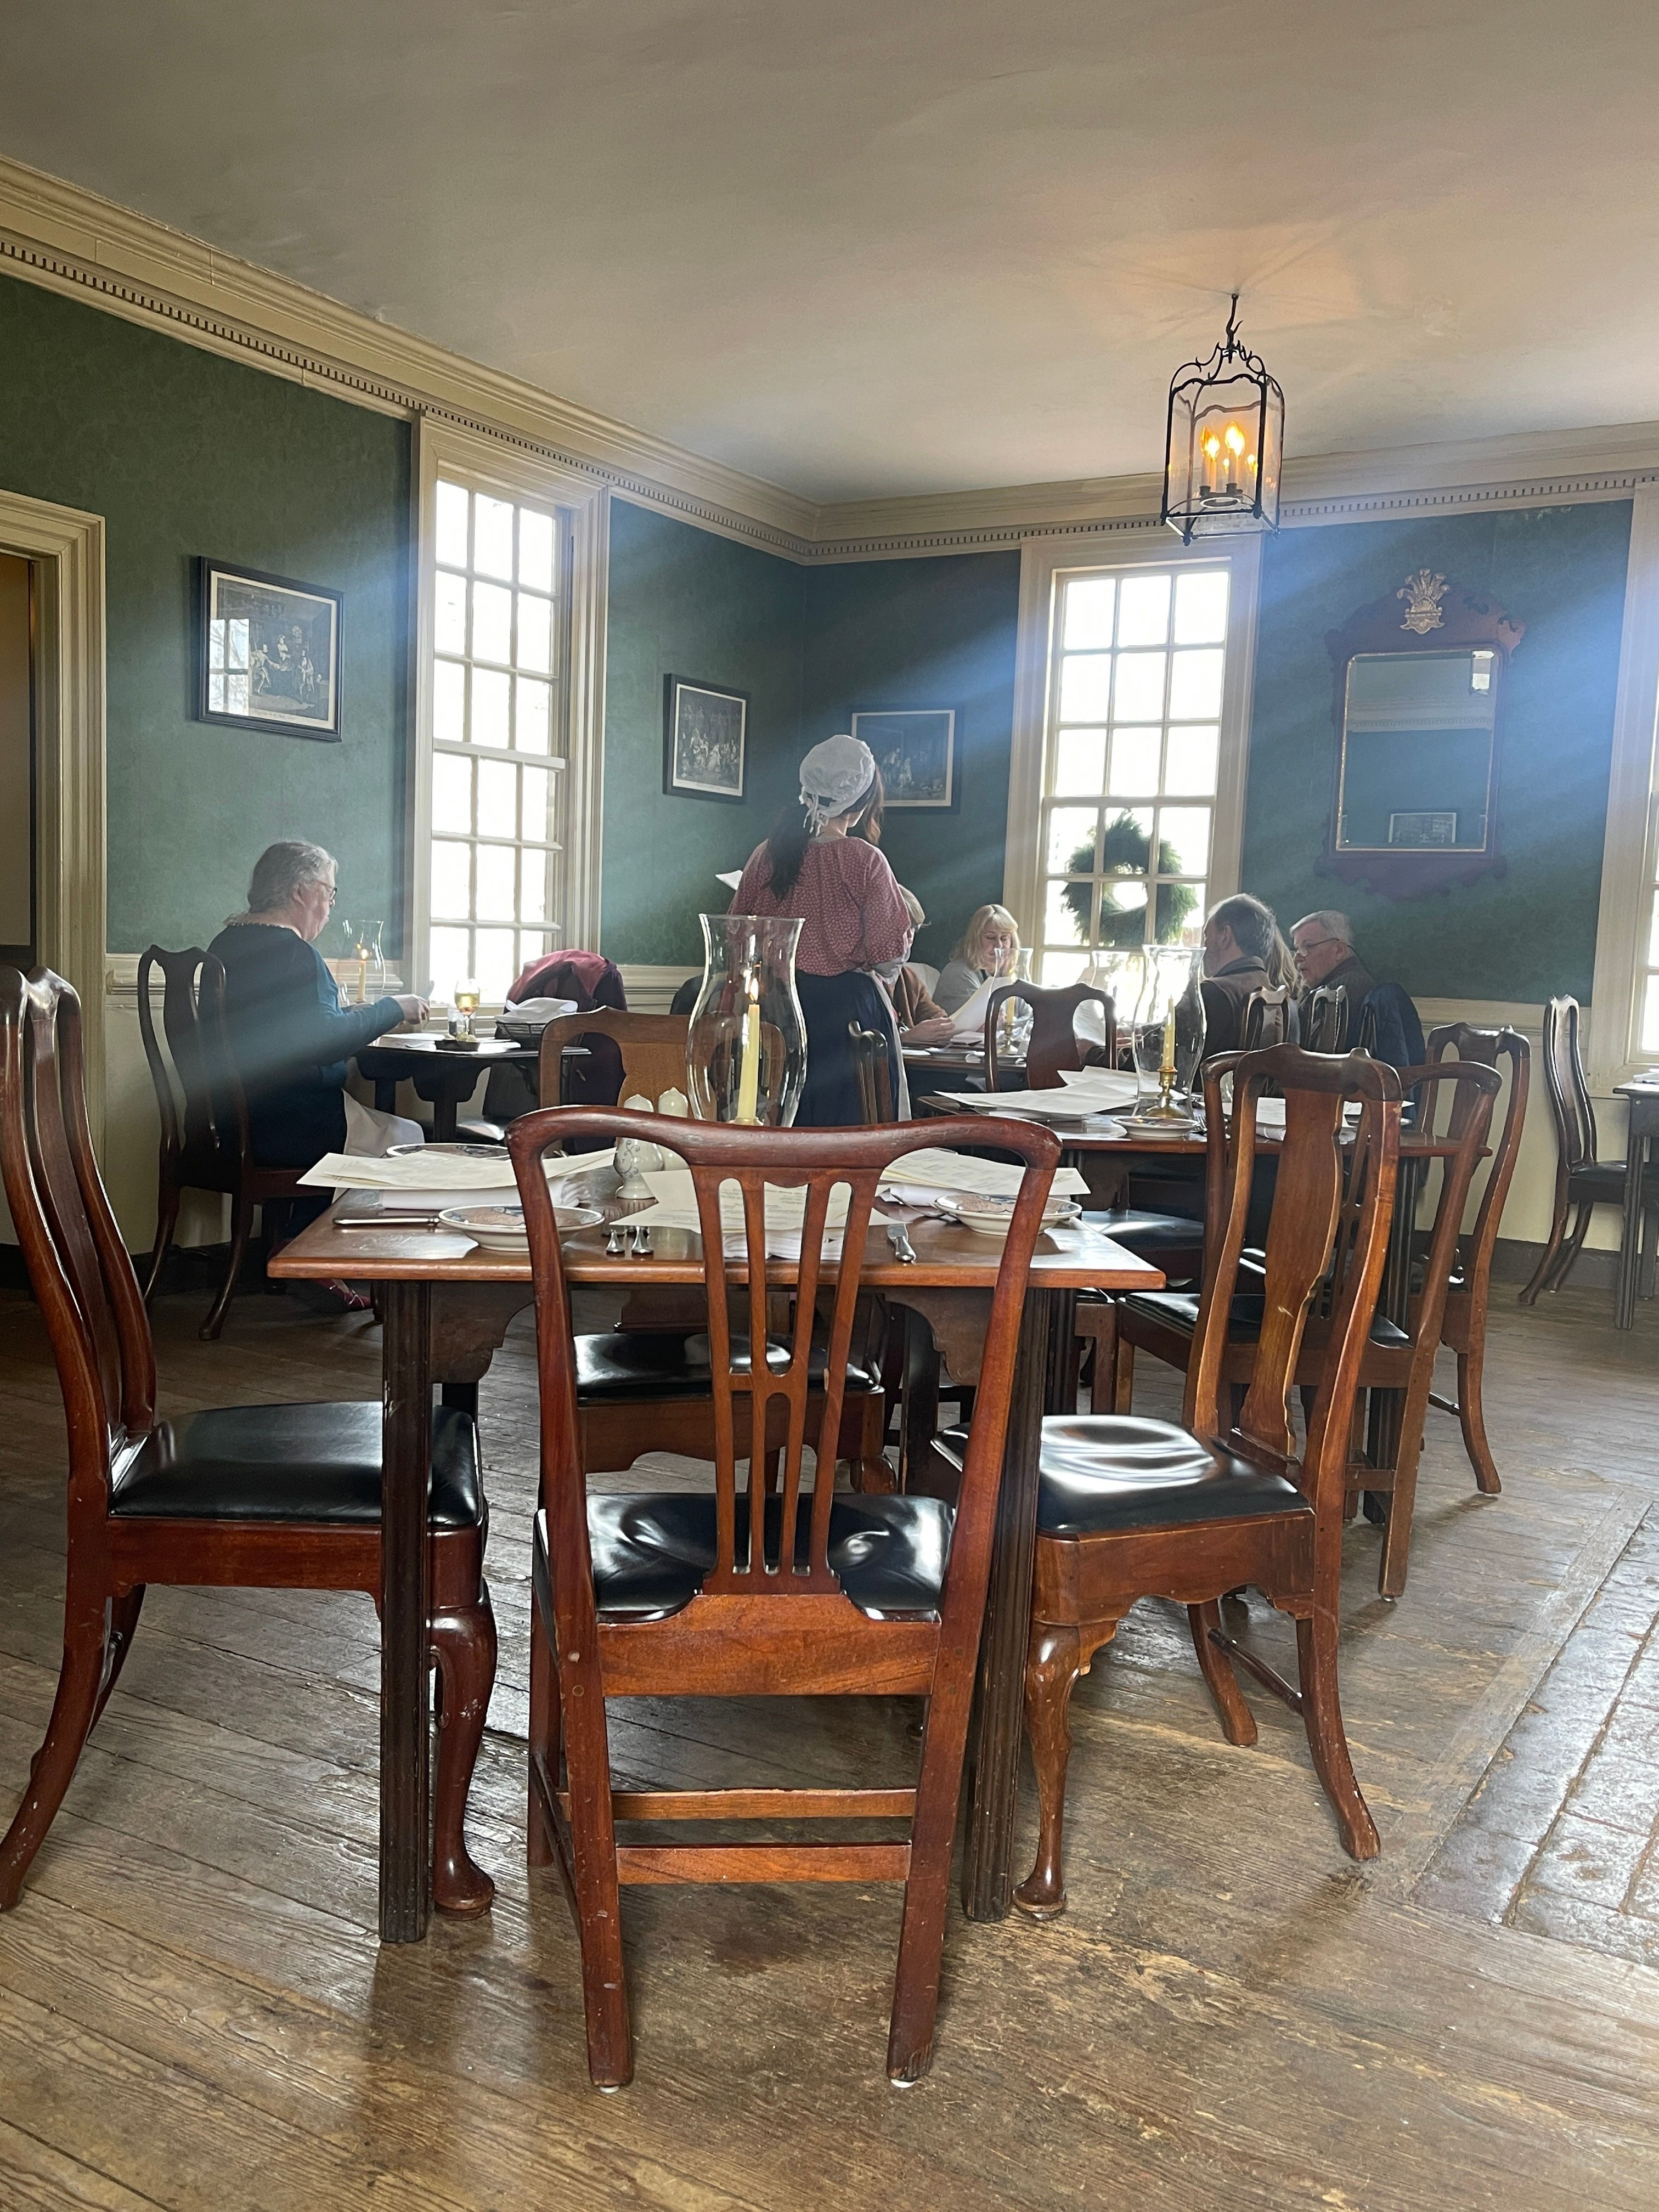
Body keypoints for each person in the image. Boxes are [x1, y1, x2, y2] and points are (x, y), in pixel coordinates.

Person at [209, 842, 429, 1171]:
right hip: (292, 1126)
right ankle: (325, 1207)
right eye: (329, 892)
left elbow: (283, 1029)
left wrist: (348, 1016)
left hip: (226, 1124)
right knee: (408, 1139)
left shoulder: (224, 945)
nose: (330, 906)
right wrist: (394, 1008)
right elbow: (326, 1041)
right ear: (301, 892)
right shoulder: (296, 954)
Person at [731, 735, 913, 1126]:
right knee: (848, 1130)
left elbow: (738, 934)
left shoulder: (767, 854)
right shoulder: (864, 859)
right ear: (861, 804)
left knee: (778, 1122)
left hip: (775, 1008)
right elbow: (888, 954)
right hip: (847, 1014)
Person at [1198, 892, 1278, 1053]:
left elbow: (1173, 1057)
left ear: (1225, 936)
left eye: (1207, 936)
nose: (1203, 947)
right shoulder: (1282, 1001)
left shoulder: (1213, 993)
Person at [889, 889, 953, 1048]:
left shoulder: (908, 977)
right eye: (903, 927)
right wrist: (906, 1038)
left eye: (914, 928)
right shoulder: (861, 980)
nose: (910, 936)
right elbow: (862, 1045)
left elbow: (936, 1017)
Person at [934, 904, 1020, 1017]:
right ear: (975, 940)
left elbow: (1031, 1015)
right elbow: (982, 1020)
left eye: (1004, 938)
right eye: (991, 937)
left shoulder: (1008, 976)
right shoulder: (958, 973)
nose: (999, 945)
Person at [1289, 910, 1376, 1010]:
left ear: (1339, 950)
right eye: (1297, 949)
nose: (1297, 958)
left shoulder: (1339, 992)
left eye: (1309, 946)